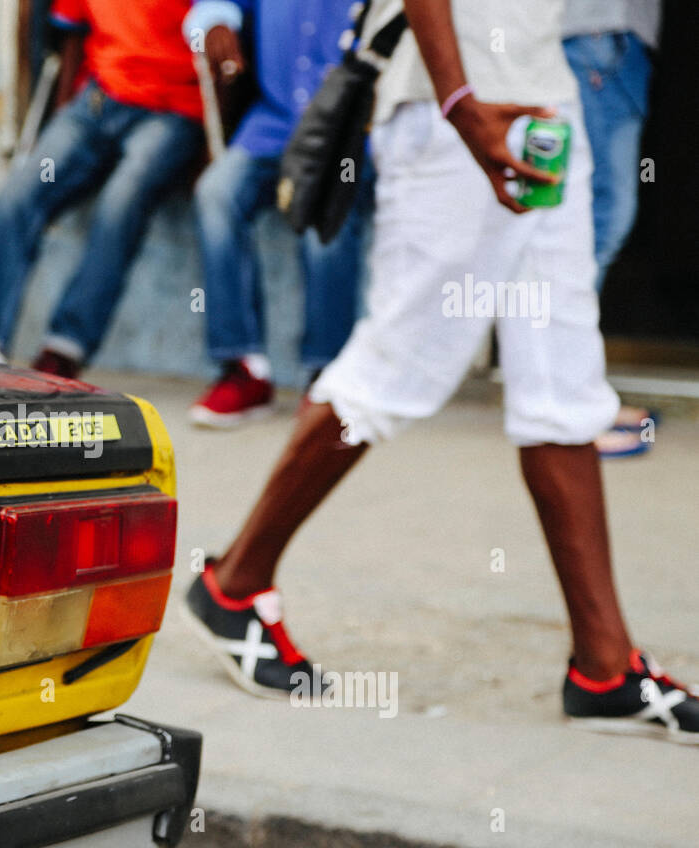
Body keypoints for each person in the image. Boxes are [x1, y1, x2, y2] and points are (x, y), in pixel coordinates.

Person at [184, 0, 699, 742]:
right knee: (395, 368)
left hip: (544, 104)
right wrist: (463, 108)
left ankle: (604, 667)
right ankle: (233, 585)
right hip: (452, 109)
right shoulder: (456, 108)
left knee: (564, 381)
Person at [0, 0, 203, 380]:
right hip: (97, 99)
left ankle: (65, 346)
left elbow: (228, 30)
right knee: (18, 195)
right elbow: (70, 35)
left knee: (121, 202)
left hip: (173, 109)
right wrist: (63, 117)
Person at [183, 0, 375, 427]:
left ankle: (325, 376)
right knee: (217, 193)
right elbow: (213, 7)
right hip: (272, 122)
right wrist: (214, 22)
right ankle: (244, 368)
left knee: (325, 217)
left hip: (346, 130)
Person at [562, 1, 663, 459]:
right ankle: (568, 407)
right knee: (592, 227)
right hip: (596, 35)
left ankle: (577, 397)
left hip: (609, 39)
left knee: (594, 225)